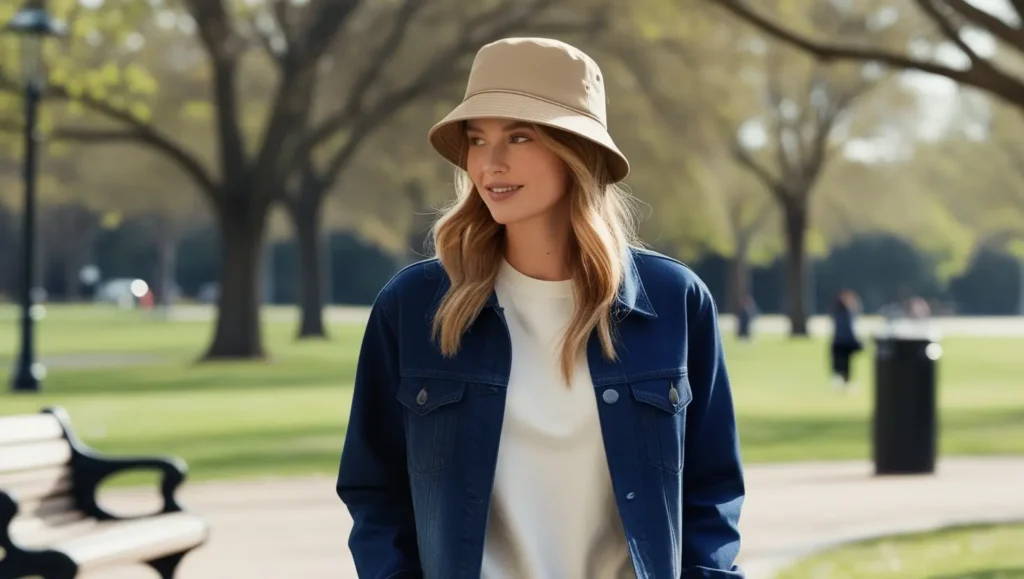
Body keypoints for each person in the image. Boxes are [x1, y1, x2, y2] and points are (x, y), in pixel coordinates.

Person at [335, 37, 745, 579]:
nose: (491, 163)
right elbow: (375, 490)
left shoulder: (673, 302)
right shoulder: (414, 309)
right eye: (477, 140)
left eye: (520, 136)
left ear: (579, 151)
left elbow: (712, 490)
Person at [830, 289, 863, 389]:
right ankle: (842, 381)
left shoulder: (839, 312)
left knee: (842, 364)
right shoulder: (845, 313)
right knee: (842, 364)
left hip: (840, 341)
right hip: (844, 341)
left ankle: (843, 381)